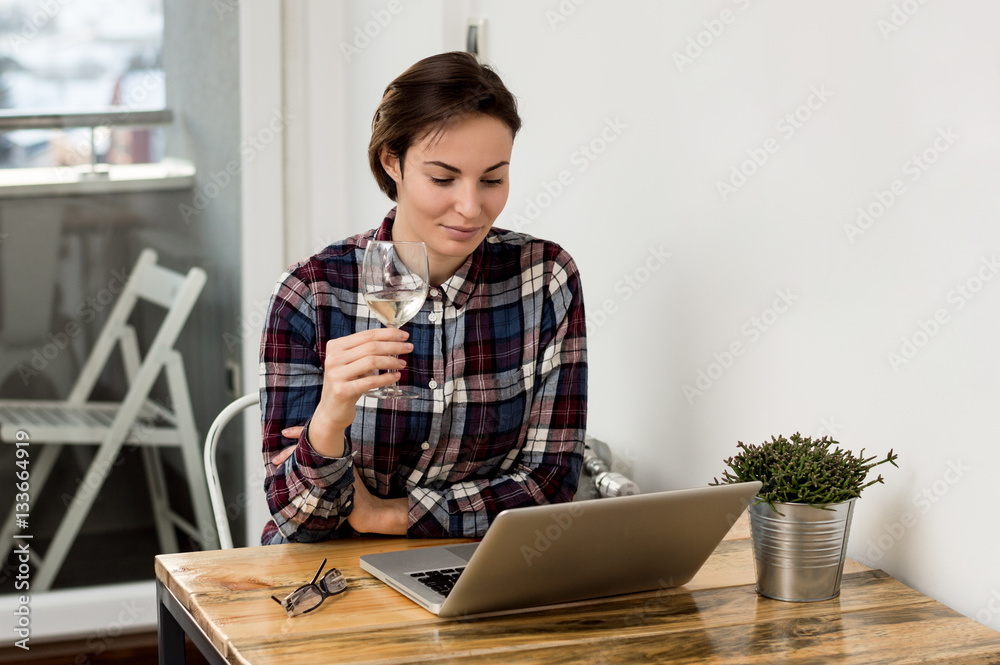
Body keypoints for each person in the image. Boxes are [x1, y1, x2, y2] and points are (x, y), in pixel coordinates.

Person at [259, 51, 588, 544]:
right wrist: (329, 418)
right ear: (393, 161)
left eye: (493, 179)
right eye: (443, 178)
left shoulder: (544, 278)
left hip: (477, 569)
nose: (471, 207)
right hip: (332, 580)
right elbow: (299, 521)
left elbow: (551, 482)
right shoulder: (311, 293)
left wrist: (390, 515)